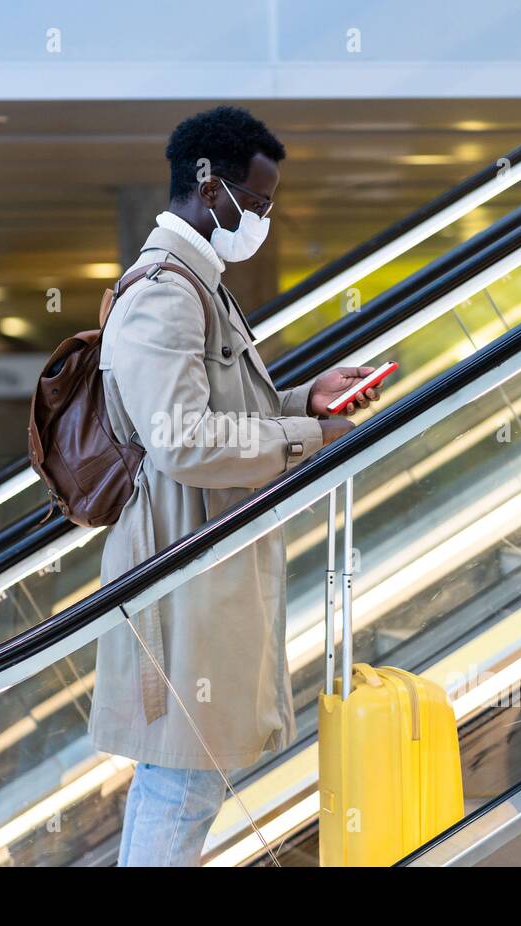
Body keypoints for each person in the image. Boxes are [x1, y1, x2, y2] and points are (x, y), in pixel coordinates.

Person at [89, 105, 382, 866]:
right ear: (207, 182)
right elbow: (182, 441)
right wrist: (306, 439)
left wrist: (303, 400)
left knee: (180, 777)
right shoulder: (165, 291)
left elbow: (220, 414)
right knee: (184, 778)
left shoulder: (199, 284)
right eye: (253, 203)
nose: (259, 219)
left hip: (199, 563)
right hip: (180, 570)